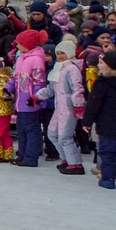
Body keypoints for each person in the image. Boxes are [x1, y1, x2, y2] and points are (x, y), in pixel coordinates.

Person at [81, 51, 116, 190]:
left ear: (109, 66)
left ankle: (108, 179)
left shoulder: (103, 82)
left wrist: (87, 121)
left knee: (107, 152)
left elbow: (94, 104)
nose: (98, 65)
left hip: (107, 124)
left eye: (101, 63)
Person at [7, 30, 49, 167]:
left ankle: (31, 157)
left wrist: (36, 97)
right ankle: (22, 154)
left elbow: (39, 80)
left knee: (31, 130)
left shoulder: (36, 59)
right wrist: (8, 88)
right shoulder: (21, 59)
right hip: (20, 101)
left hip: (29, 101)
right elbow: (15, 77)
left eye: (19, 43)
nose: (17, 46)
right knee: (21, 129)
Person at [45, 40, 86, 175]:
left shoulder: (72, 69)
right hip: (59, 107)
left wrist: (78, 105)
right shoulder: (58, 68)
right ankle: (66, 159)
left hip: (68, 107)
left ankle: (75, 163)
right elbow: (52, 87)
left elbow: (77, 88)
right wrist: (37, 96)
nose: (60, 56)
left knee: (65, 136)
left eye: (63, 53)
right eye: (58, 53)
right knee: (52, 133)